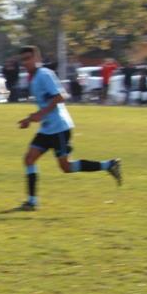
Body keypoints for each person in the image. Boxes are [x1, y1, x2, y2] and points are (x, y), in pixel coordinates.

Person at [15, 45, 121, 212]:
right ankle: (31, 202)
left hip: (59, 128)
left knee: (66, 167)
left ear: (37, 59)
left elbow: (61, 96)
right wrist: (30, 119)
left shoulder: (44, 74)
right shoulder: (34, 79)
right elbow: (46, 103)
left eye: (29, 58)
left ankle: (108, 165)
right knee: (29, 159)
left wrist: (40, 114)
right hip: (47, 128)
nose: (25, 62)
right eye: (23, 59)